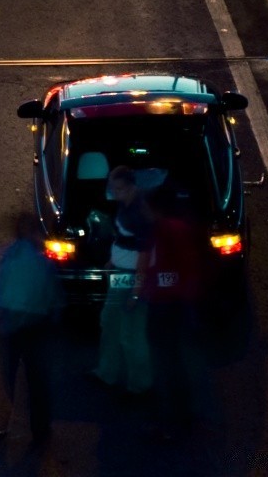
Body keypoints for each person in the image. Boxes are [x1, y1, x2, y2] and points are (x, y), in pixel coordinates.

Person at [0, 211, 61, 443]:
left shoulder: (0, 255)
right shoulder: (44, 258)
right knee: (38, 380)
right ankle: (40, 431)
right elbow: (54, 295)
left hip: (7, 322)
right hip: (38, 326)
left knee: (3, 378)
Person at [141, 183, 206, 439]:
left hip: (168, 307)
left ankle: (173, 423)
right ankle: (177, 418)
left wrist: (155, 289)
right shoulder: (165, 229)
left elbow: (179, 272)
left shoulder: (169, 231)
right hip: (168, 305)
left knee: (167, 366)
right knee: (171, 364)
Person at [90, 166, 152, 396]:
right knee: (111, 322)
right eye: (112, 188)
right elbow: (122, 237)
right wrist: (111, 260)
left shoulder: (140, 213)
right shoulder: (126, 205)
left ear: (132, 186)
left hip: (130, 277)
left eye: (119, 188)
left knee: (131, 333)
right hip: (121, 272)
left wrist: (137, 290)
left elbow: (145, 254)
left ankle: (140, 385)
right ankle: (108, 372)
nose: (114, 193)